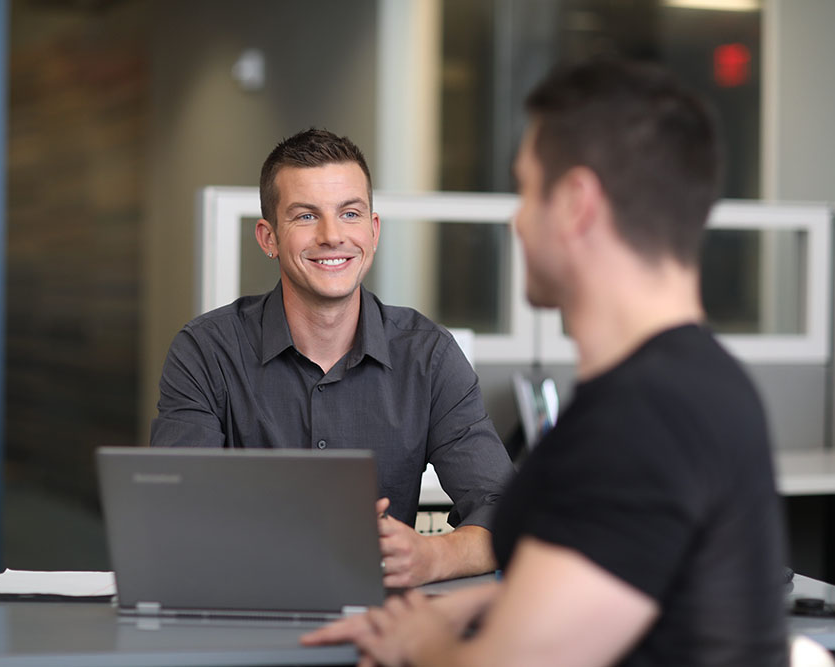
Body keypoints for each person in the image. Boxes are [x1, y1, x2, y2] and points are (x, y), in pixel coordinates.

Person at [302, 59, 788, 666]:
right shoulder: (693, 385)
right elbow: (623, 591)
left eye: (528, 191)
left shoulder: (646, 417)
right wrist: (465, 607)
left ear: (578, 205)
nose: (517, 220)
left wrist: (418, 642)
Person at [151, 128, 514, 587]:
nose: (332, 236)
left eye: (350, 213)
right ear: (268, 237)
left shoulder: (429, 356)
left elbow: (507, 510)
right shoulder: (205, 352)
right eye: (305, 216)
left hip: (378, 629)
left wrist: (434, 556)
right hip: (240, 613)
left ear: (373, 230)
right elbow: (174, 513)